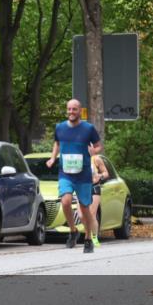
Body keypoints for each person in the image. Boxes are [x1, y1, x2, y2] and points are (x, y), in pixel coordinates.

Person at [46, 99, 102, 253]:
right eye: (69, 109)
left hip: (83, 174)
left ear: (80, 111)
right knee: (65, 201)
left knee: (85, 209)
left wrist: (94, 151)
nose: (71, 112)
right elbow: (57, 143)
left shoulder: (88, 128)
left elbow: (98, 146)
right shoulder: (60, 127)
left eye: (74, 109)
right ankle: (73, 231)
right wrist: (52, 158)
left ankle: (88, 239)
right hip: (65, 172)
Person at [88, 152, 108, 249]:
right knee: (82, 214)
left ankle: (94, 237)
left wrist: (100, 176)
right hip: (82, 188)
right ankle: (87, 235)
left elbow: (106, 173)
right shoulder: (79, 158)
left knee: (92, 214)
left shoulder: (96, 159)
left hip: (94, 187)